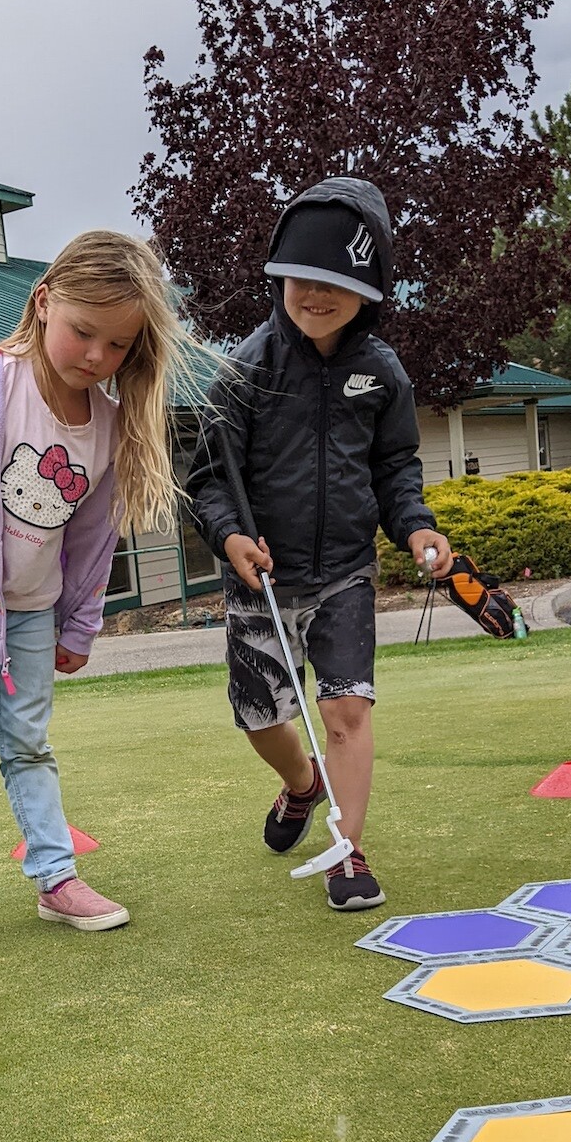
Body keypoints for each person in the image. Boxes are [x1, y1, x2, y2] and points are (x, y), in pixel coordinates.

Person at [0, 230, 197, 952]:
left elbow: (91, 544)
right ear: (45, 301)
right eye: (84, 332)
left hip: (30, 616)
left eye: (116, 347)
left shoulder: (108, 425)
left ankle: (57, 879)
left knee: (28, 748)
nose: (96, 357)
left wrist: (78, 626)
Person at [187, 176, 453, 913]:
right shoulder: (245, 371)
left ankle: (348, 848)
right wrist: (232, 535)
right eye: (301, 278)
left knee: (347, 711)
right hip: (261, 579)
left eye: (336, 282)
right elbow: (207, 477)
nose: (315, 294)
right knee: (261, 717)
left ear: (369, 290)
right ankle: (303, 786)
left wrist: (417, 526)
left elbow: (396, 468)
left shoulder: (382, 373)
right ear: (281, 276)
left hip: (344, 573)